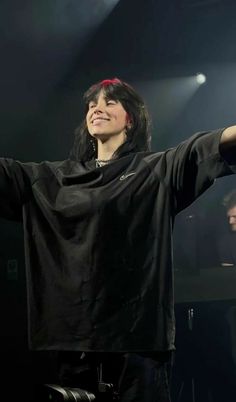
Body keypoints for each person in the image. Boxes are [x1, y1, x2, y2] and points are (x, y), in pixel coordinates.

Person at [1, 77, 236, 402]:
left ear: (132, 118)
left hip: (135, 342)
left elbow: (206, 148)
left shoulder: (155, 170)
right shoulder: (53, 179)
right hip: (69, 343)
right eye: (92, 104)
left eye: (110, 102)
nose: (98, 108)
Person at [218, 189, 236, 267]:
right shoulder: (225, 242)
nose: (230, 221)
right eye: (229, 217)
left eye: (235, 217)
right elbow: (228, 277)